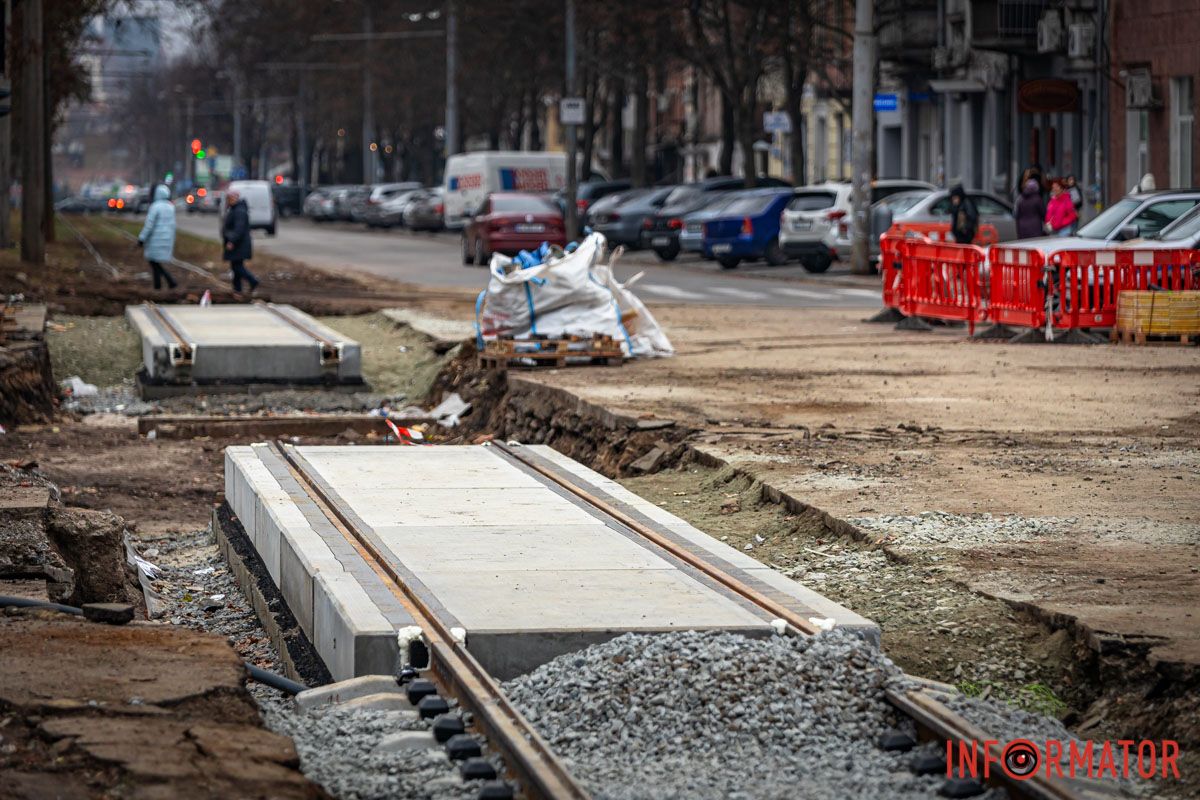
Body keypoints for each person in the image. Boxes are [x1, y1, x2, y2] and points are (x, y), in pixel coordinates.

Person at [137, 184, 177, 291]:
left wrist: (142, 238)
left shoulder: (155, 207)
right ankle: (158, 285)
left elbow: (149, 225)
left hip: (155, 239)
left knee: (153, 262)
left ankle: (170, 281)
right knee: (155, 262)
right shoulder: (171, 207)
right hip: (167, 239)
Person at [222, 189, 259, 295]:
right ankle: (237, 288)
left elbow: (239, 228)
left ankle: (252, 281)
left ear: (234, 198)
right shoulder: (236, 209)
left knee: (237, 267)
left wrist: (232, 241)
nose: (228, 201)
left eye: (229, 198)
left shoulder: (239, 211)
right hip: (238, 243)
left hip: (239, 244)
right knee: (236, 265)